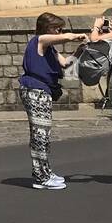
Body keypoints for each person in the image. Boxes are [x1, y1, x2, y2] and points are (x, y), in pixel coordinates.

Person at [18, 13, 89, 189]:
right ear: (46, 27)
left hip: (43, 91)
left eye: (61, 28)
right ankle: (41, 176)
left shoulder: (50, 49)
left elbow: (65, 64)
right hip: (35, 90)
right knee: (40, 134)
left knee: (43, 133)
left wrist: (79, 50)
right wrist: (74, 35)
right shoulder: (39, 41)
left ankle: (44, 171)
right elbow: (64, 37)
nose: (60, 30)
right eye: (56, 27)